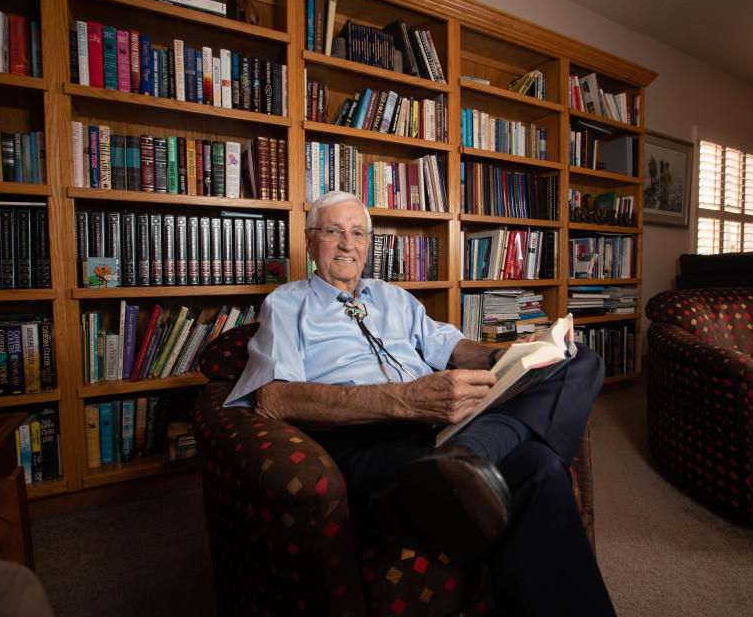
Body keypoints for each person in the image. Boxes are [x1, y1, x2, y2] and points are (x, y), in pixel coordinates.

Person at [225, 191, 616, 615]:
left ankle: (467, 457)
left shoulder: (394, 298)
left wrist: (507, 356)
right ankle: (464, 463)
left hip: (446, 430)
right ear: (309, 239)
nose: (346, 244)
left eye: (358, 233)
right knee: (540, 469)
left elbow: (453, 348)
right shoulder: (286, 304)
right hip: (371, 445)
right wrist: (404, 400)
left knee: (579, 361)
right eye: (334, 231)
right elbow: (273, 398)